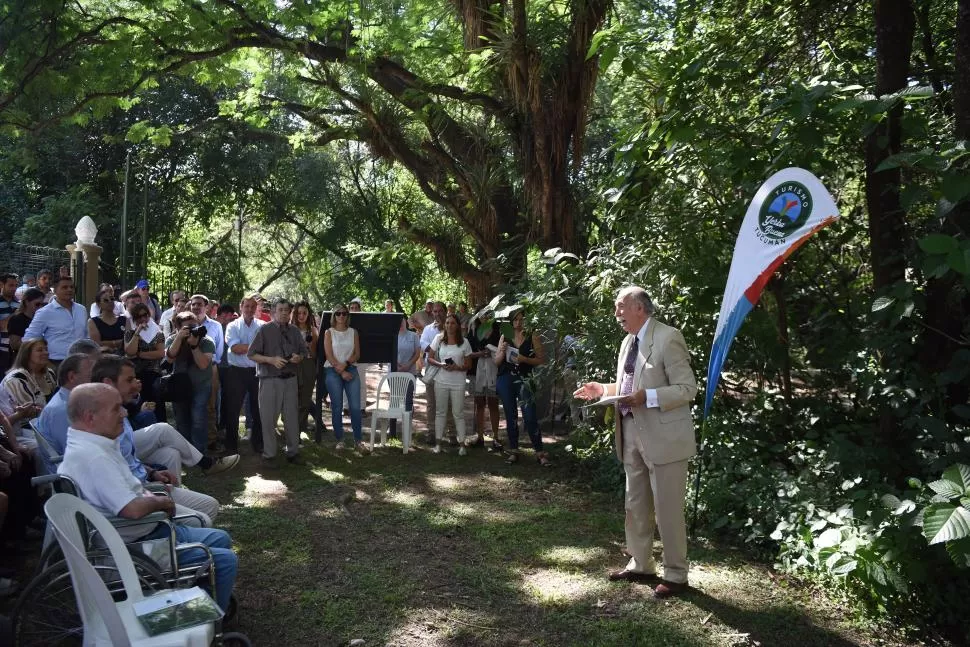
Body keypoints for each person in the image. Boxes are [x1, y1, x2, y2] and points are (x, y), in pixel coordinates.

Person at [58, 383, 238, 612]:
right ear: (89, 417)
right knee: (225, 561)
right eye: (116, 409)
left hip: (142, 533)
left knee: (220, 538)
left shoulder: (92, 446)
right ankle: (206, 621)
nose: (124, 414)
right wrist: (161, 502)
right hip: (132, 548)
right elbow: (132, 509)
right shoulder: (94, 458)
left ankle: (196, 598)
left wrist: (152, 486)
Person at [573, 286, 697, 599]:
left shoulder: (669, 338)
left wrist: (648, 397)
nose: (617, 313)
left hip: (665, 439)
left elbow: (687, 389)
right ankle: (641, 563)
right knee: (635, 504)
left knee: (668, 509)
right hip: (630, 433)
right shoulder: (628, 341)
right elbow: (630, 385)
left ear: (639, 308)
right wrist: (602, 389)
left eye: (620, 307)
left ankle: (676, 575)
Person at [248, 298, 308, 467]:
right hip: (269, 379)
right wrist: (271, 360)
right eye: (280, 310)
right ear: (273, 311)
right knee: (268, 419)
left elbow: (303, 352)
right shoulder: (264, 330)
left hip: (290, 379)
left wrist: (299, 357)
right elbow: (251, 354)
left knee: (291, 418)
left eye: (287, 310)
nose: (284, 313)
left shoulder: (295, 331)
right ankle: (269, 455)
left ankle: (293, 452)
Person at [495, 309, 548, 465]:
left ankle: (539, 451)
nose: (518, 323)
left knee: (530, 414)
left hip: (525, 378)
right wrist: (502, 352)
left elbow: (541, 360)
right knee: (510, 415)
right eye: (516, 320)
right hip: (505, 378)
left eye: (521, 319)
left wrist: (524, 359)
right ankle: (514, 450)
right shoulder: (505, 336)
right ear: (511, 321)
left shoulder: (533, 335)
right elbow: (497, 362)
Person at [165, 311, 215, 453]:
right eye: (188, 327)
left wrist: (194, 346)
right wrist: (179, 339)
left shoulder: (206, 341)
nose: (192, 329)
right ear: (178, 328)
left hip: (201, 385)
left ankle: (199, 453)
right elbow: (169, 359)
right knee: (182, 420)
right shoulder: (172, 340)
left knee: (198, 419)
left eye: (194, 325)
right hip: (179, 387)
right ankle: (185, 453)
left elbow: (203, 365)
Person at [322, 304, 366, 453]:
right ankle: (340, 440)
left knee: (355, 407)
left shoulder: (353, 332)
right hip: (332, 370)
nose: (341, 316)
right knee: (337, 406)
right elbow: (329, 355)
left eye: (344, 313)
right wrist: (341, 371)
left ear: (348, 316)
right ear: (334, 316)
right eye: (338, 313)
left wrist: (346, 365)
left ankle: (358, 441)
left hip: (350, 368)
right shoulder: (329, 332)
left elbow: (357, 354)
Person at [223, 296, 263, 454]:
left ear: (256, 309)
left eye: (253, 307)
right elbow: (235, 349)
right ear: (241, 307)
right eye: (247, 306)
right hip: (236, 372)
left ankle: (258, 443)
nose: (249, 310)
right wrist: (255, 348)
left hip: (256, 372)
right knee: (232, 410)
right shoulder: (232, 326)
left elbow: (263, 348)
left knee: (257, 410)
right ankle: (231, 446)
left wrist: (246, 347)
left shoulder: (262, 326)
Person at [428, 314, 472, 454]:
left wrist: (457, 368)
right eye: (447, 323)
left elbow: (468, 364)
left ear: (458, 325)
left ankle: (462, 445)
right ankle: (438, 444)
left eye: (452, 323)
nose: (449, 325)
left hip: (458, 383)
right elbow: (429, 358)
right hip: (440, 381)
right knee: (440, 412)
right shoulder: (438, 339)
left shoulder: (464, 342)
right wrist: (441, 364)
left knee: (458, 413)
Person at [22, 275, 89, 365]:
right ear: (55, 290)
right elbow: (29, 338)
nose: (69, 290)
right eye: (65, 287)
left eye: (72, 287)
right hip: (55, 361)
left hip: (80, 360)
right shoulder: (45, 312)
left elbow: (86, 334)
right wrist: (45, 362)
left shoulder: (81, 309)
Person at [123, 302, 167, 423]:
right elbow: (129, 351)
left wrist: (140, 354)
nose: (143, 319)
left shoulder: (157, 332)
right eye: (138, 316)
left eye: (145, 315)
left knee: (156, 403)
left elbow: (160, 353)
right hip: (136, 374)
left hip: (152, 373)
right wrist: (137, 333)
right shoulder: (130, 333)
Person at [467, 312, 502, 451]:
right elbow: (467, 352)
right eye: (482, 315)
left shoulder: (498, 330)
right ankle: (480, 436)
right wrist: (480, 354)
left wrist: (493, 352)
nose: (484, 318)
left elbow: (503, 348)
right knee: (479, 403)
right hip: (477, 371)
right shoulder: (474, 331)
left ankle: (496, 437)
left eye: (487, 315)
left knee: (493, 403)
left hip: (494, 369)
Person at [388, 315, 420, 439]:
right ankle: (392, 430)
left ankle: (407, 430)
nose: (400, 324)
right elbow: (388, 351)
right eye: (397, 322)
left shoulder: (413, 336)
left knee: (408, 401)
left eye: (401, 321)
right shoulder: (391, 336)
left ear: (405, 321)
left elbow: (417, 353)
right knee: (395, 399)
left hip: (410, 372)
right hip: (393, 372)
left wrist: (408, 365)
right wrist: (396, 365)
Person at [419, 301, 446, 442]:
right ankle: (431, 431)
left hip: (447, 370)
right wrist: (432, 350)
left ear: (445, 312)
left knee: (448, 402)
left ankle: (451, 432)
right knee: (431, 403)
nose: (437, 314)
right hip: (431, 367)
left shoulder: (451, 327)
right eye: (435, 311)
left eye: (440, 311)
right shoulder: (428, 329)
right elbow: (422, 343)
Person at [291, 301, 318, 435]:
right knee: (292, 398)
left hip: (308, 365)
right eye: (299, 313)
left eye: (304, 313)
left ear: (308, 314)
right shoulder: (288, 329)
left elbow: (314, 355)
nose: (301, 316)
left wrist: (309, 346)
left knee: (305, 399)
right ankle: (291, 428)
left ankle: (300, 429)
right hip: (293, 365)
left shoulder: (313, 331)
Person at [88, 287, 127, 355]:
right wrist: (119, 342)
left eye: (112, 299)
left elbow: (128, 340)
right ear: (98, 304)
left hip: (123, 357)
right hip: (104, 359)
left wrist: (108, 343)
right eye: (106, 300)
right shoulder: (93, 322)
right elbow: (96, 344)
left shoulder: (124, 319)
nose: (110, 301)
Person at [7, 287, 46, 354]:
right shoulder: (17, 319)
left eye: (42, 305)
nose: (40, 307)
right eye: (37, 304)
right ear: (27, 302)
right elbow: (14, 345)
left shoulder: (42, 318)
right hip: (23, 358)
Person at [0, 273, 20, 375]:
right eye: (11, 285)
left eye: (16, 285)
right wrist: (15, 314)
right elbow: (2, 326)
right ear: (1, 285)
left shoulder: (18, 303)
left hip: (15, 351)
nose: (14, 288)